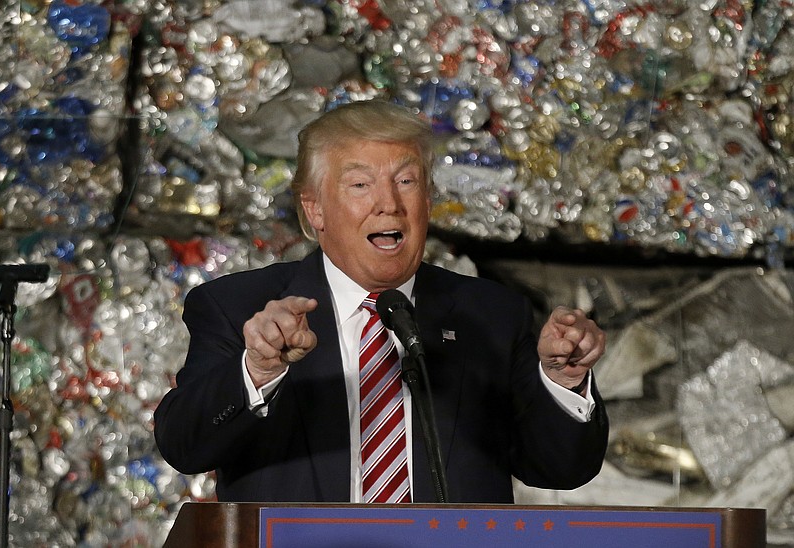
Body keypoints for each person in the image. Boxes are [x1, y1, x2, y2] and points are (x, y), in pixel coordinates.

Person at [153, 99, 609, 504]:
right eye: (360, 185)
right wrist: (258, 371)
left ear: (427, 200)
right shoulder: (237, 306)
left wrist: (562, 382)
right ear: (314, 210)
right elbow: (184, 446)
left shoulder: (489, 314)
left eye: (406, 181)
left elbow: (559, 468)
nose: (388, 204)